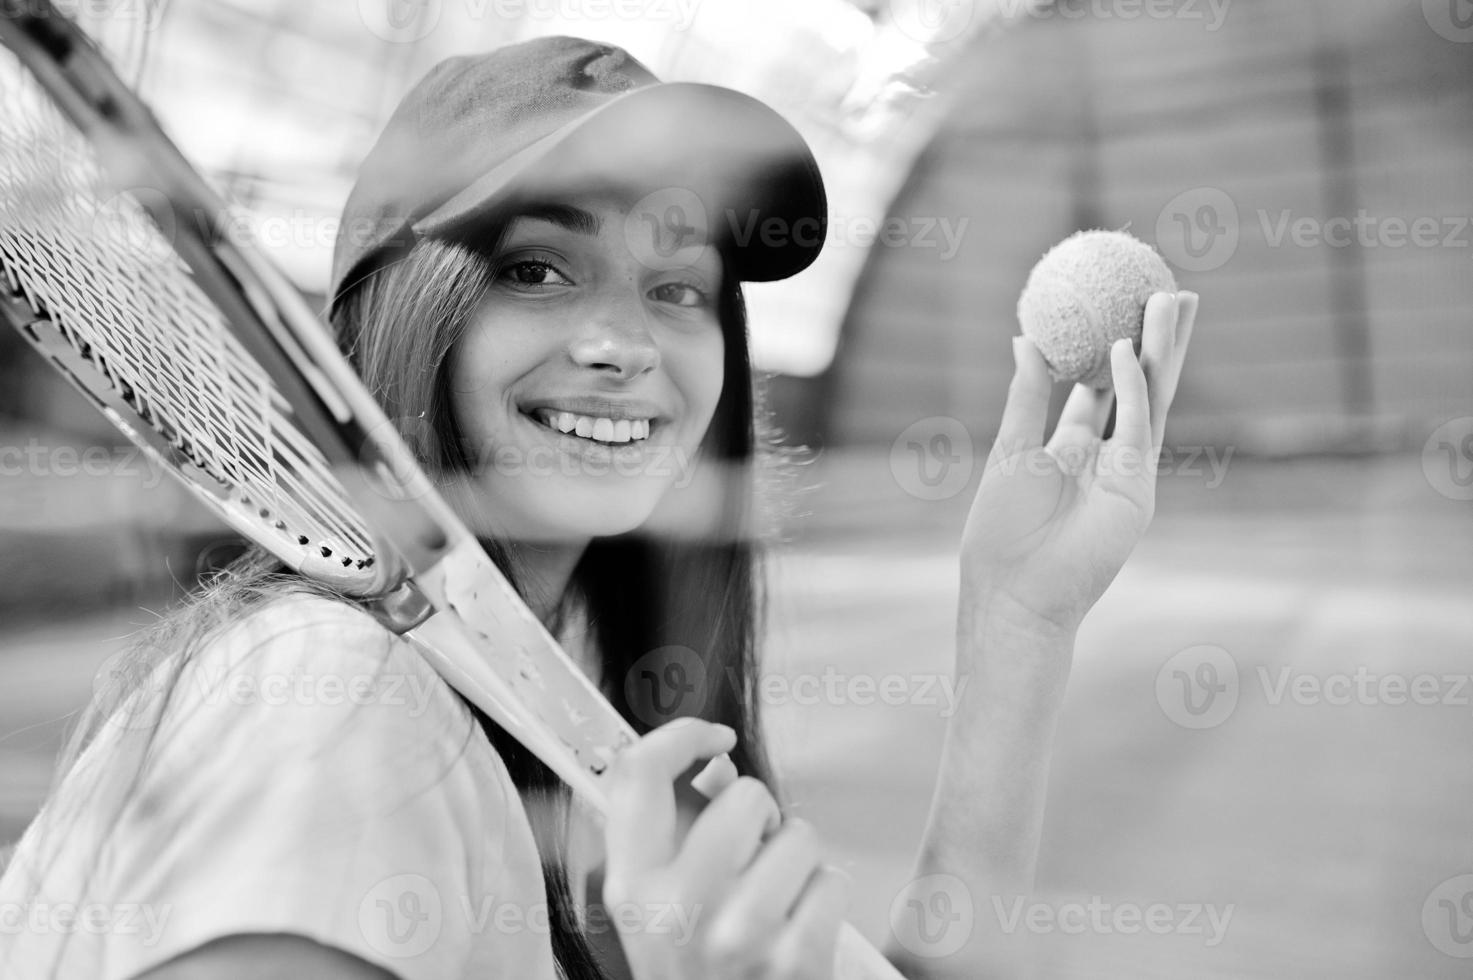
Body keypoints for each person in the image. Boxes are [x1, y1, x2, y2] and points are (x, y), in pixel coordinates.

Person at [0, 34, 1198, 980]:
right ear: (414, 306)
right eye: (536, 267)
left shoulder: (576, 682)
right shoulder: (325, 703)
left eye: (679, 286)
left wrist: (1017, 622)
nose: (627, 342)